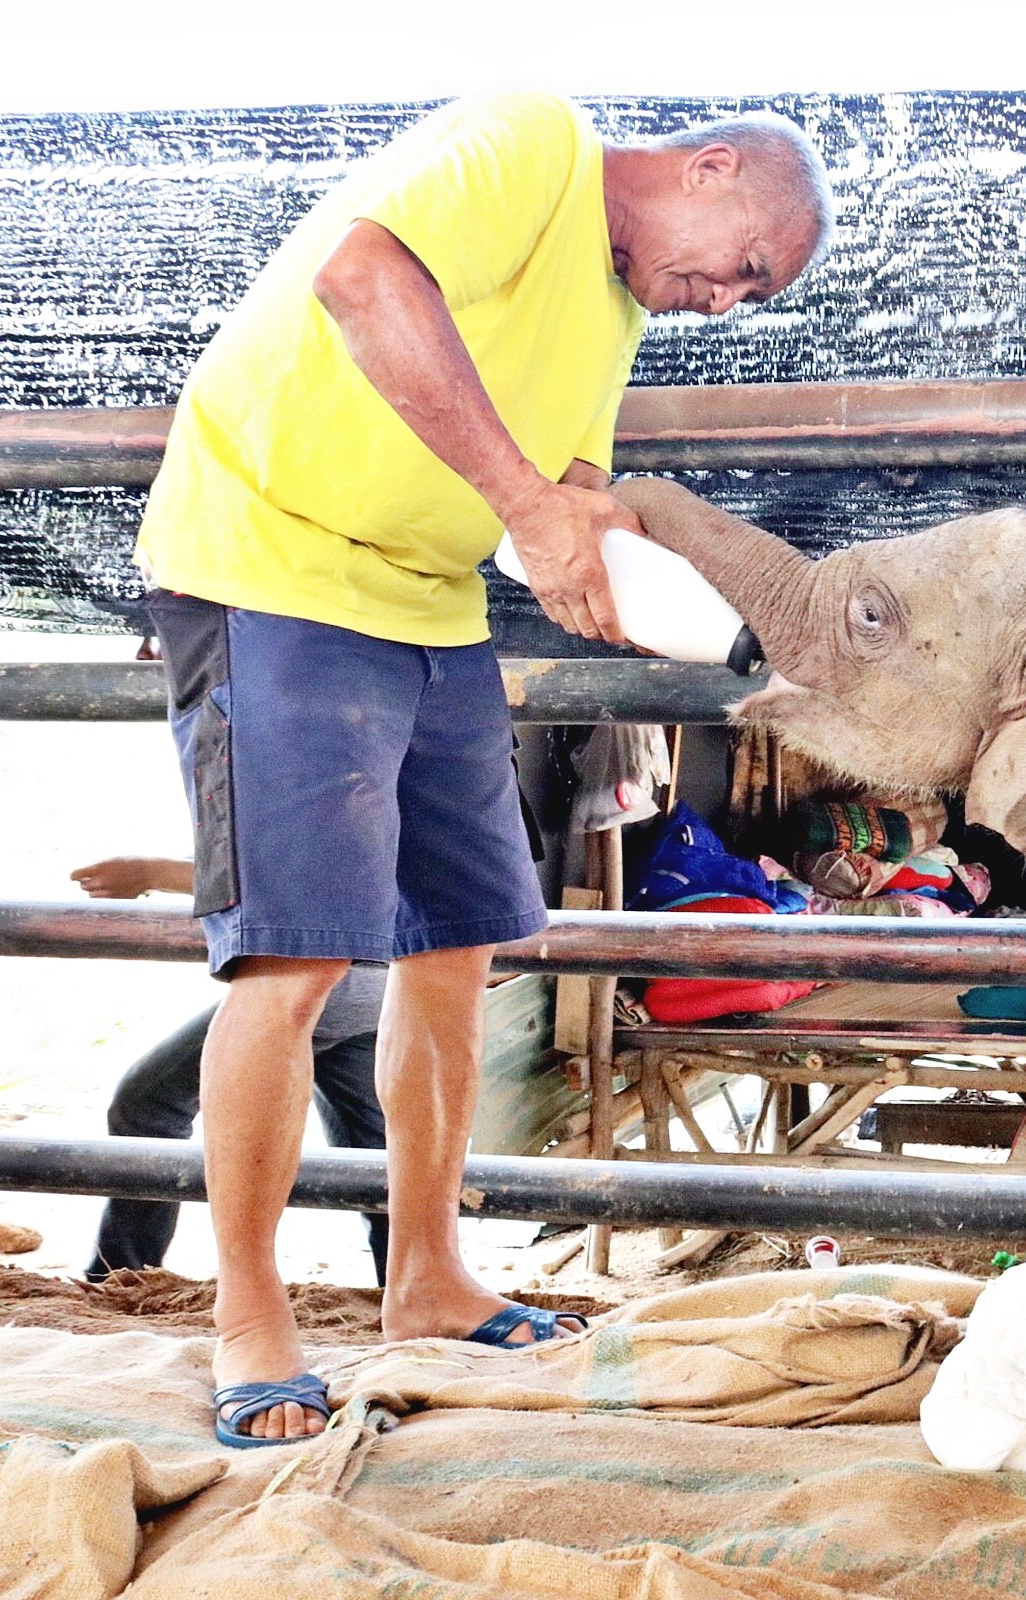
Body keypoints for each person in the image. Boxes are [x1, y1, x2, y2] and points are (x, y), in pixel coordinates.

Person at [130, 91, 832, 1446]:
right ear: (712, 166)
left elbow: (565, 506)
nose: (731, 301)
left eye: (755, 295)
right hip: (269, 571)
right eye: (749, 265)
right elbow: (362, 276)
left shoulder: (616, 315)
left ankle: (429, 1275)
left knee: (459, 946)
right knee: (293, 963)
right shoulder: (535, 144)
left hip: (430, 601)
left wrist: (736, 626)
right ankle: (251, 1319)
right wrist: (530, 507)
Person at [70, 856, 390, 1286]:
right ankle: (405, 1281)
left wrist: (150, 873)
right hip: (376, 978)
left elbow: (283, 876)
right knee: (370, 1150)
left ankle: (120, 1275)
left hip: (312, 976)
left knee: (148, 1105)